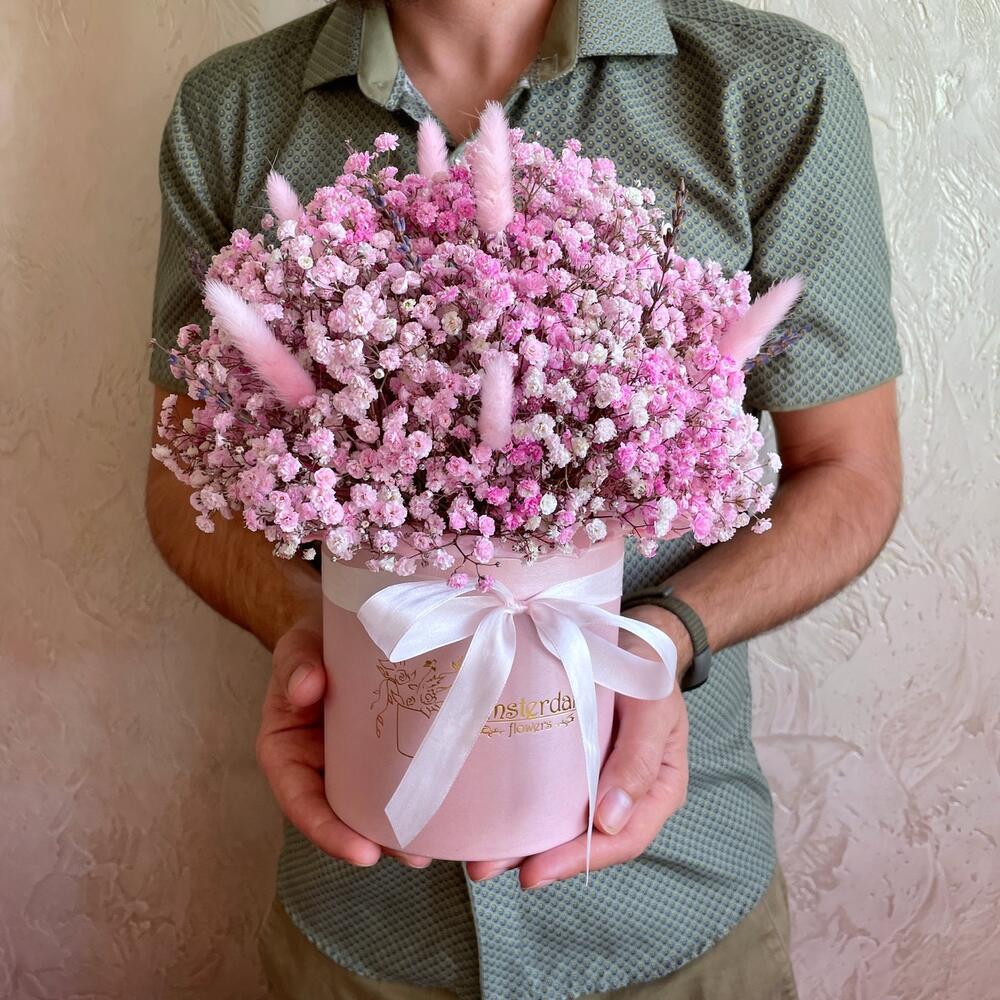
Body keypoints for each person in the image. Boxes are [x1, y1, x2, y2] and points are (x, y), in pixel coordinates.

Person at [145, 1, 904, 997]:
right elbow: (184, 476)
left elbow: (850, 473)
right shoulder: (232, 108)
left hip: (668, 906)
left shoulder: (771, 88)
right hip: (362, 912)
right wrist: (309, 634)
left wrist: (662, 639)